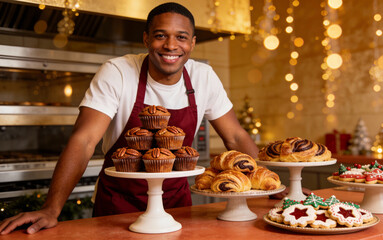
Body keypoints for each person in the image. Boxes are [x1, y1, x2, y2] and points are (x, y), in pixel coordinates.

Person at [0, 2, 259, 235]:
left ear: (192, 42)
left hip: (177, 207)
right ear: (146, 39)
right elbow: (84, 140)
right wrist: (51, 209)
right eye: (160, 36)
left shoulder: (204, 77)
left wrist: (271, 184)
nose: (171, 46)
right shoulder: (117, 72)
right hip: (117, 206)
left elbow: (235, 136)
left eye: (181, 37)